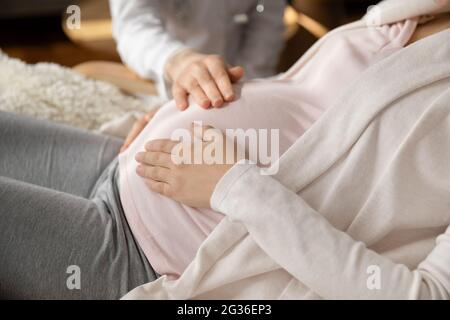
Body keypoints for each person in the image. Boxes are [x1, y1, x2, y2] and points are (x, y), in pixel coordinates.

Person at [0, 2, 449, 300]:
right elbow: (311, 110)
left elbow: (423, 294)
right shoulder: (423, 9)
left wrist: (234, 186)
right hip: (135, 162)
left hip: (147, 255)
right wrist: (175, 108)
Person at [109, 0, 286, 151]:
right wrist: (177, 60)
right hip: (170, 69)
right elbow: (133, 24)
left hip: (244, 81)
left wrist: (244, 87)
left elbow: (266, 22)